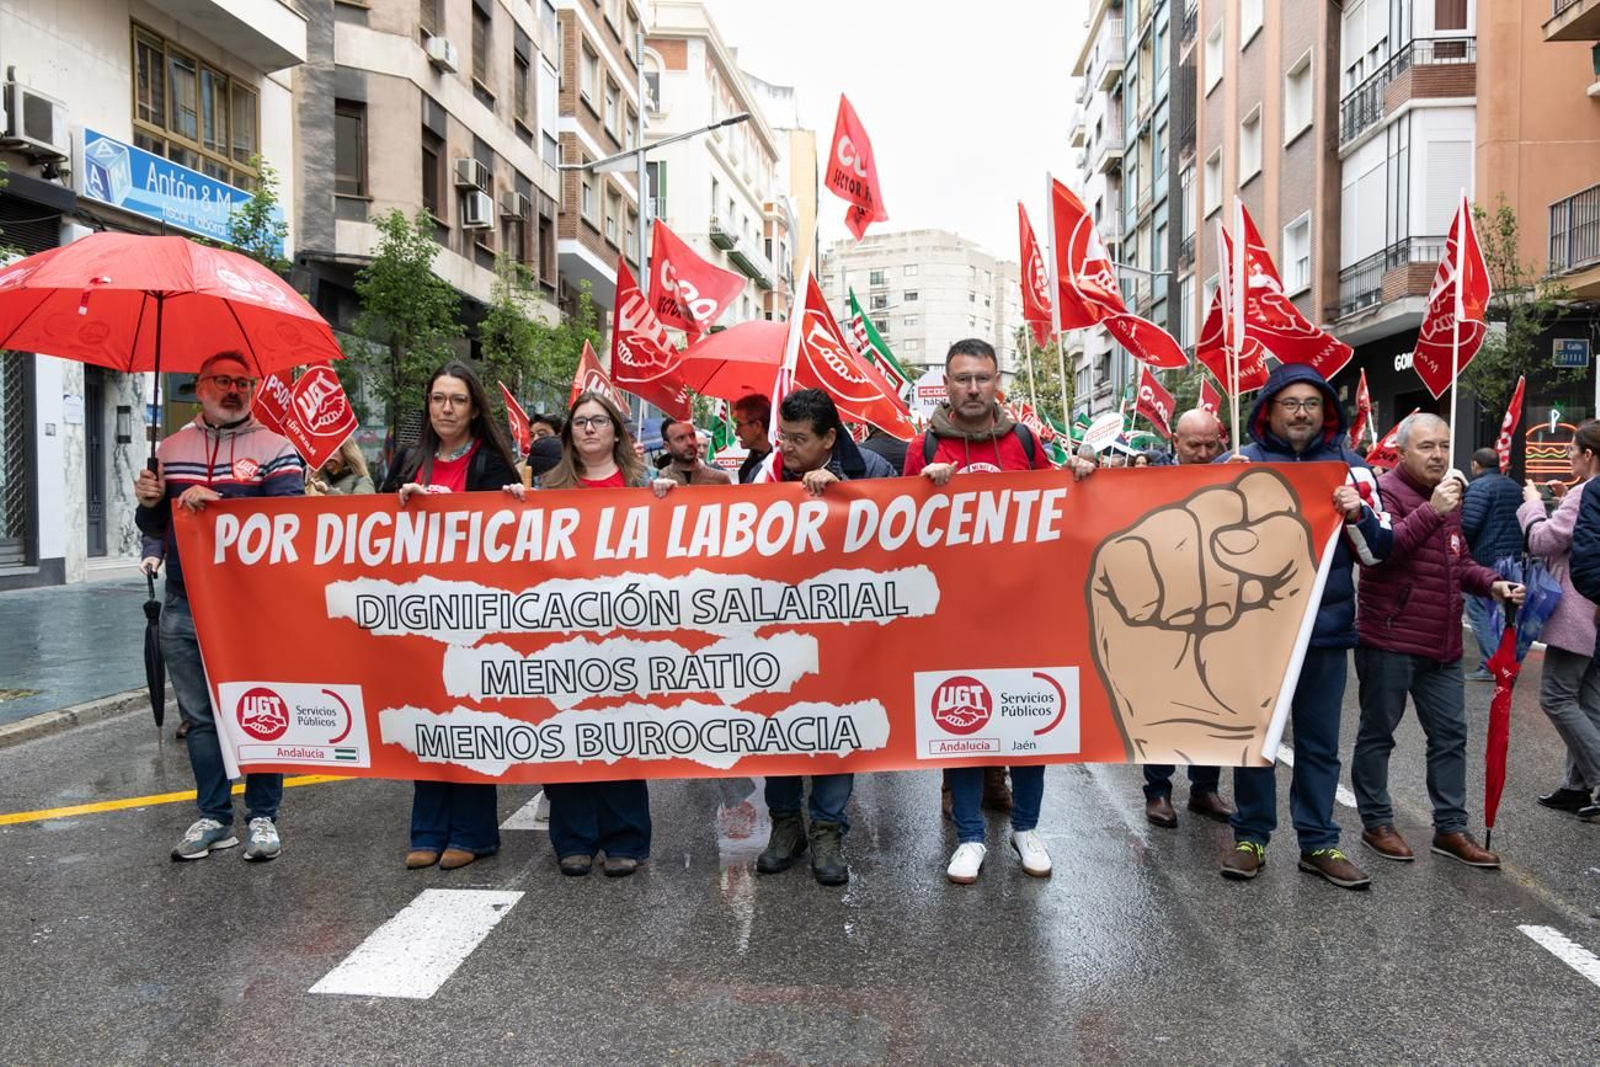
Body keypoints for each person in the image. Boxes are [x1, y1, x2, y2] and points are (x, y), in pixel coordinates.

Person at [905, 338, 1094, 884]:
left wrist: (1079, 473)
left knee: (1031, 721)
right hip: (954, 613)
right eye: (961, 378)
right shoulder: (924, 447)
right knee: (959, 725)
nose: (971, 388)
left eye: (981, 378)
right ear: (947, 383)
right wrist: (923, 490)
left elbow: (1060, 504)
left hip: (1020, 610)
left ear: (996, 383)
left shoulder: (1025, 442)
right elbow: (897, 529)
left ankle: (1026, 829)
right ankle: (969, 837)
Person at [1216, 363, 1393, 890]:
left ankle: (1318, 842)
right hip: (1253, 633)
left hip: (1324, 632)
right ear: (1268, 409)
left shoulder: (1354, 469)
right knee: (1255, 738)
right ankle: (1251, 837)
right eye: (1290, 403)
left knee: (1318, 744)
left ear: (1327, 412)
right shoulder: (1238, 464)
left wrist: (1357, 516)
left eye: (1311, 404)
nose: (1300, 413)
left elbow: (1379, 555)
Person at [134, 351, 305, 862]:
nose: (234, 390)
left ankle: (263, 818)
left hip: (254, 606)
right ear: (200, 386)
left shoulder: (277, 448)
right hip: (185, 601)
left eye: (242, 382)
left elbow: (289, 522)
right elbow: (154, 526)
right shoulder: (169, 448)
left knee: (260, 709)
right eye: (222, 381)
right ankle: (214, 815)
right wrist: (148, 504)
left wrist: (223, 508)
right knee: (200, 718)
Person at [1351, 413, 1524, 870]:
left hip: (1442, 642)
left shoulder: (1450, 496)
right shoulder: (1384, 492)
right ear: (1402, 451)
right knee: (1378, 734)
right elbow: (1382, 552)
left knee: (1450, 737)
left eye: (1444, 446)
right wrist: (1434, 509)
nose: (1438, 455)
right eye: (1427, 446)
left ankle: (1450, 828)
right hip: (1390, 637)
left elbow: (1458, 560)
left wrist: (1492, 584)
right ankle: (1377, 823)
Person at [516, 390, 677, 876]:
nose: (588, 429)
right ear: (570, 435)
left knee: (624, 734)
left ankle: (625, 838)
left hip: (628, 633)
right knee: (568, 731)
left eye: (598, 421)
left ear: (616, 431)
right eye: (580, 422)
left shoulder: (643, 482)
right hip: (564, 634)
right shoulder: (548, 487)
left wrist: (669, 502)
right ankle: (574, 838)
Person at [382, 361, 525, 872]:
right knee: (426, 718)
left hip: (475, 613)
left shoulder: (492, 463)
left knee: (469, 719)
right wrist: (397, 504)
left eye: (457, 400)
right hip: (417, 611)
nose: (446, 408)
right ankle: (427, 829)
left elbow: (511, 533)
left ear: (474, 408)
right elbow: (373, 532)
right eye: (438, 398)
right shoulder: (407, 459)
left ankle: (472, 832)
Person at [755, 388, 893, 886]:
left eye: (798, 439)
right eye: (782, 437)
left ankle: (829, 829)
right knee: (777, 730)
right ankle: (785, 826)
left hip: (845, 629)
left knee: (836, 727)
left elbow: (898, 535)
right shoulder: (765, 473)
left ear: (829, 438)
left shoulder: (872, 470)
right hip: (777, 628)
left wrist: (842, 498)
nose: (786, 449)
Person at [1141, 409, 1235, 830]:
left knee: (1211, 702)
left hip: (1216, 610)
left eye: (1209, 445)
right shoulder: (1147, 484)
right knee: (1161, 703)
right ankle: (1158, 791)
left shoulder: (1236, 477)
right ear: (1174, 442)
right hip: (1163, 612)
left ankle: (1204, 788)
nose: (1201, 453)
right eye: (1192, 444)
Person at [1520, 421, 1600, 821]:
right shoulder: (1584, 494)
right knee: (1588, 699)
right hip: (1594, 612)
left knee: (1556, 696)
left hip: (1578, 609)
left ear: (1588, 454)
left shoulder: (1587, 493)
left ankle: (1595, 778)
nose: (1567, 456)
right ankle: (1577, 785)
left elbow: (1543, 541)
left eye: (1571, 450)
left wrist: (1533, 504)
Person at [1461, 447, 1524, 680]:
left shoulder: (1478, 487)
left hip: (1486, 559)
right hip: (1513, 559)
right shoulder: (1515, 487)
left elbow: (1468, 525)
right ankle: (1508, 663)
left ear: (1476, 464)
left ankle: (1492, 665)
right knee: (1507, 615)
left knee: (1479, 611)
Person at [659, 416, 733, 486]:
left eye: (692, 436)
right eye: (681, 438)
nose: (690, 442)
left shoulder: (720, 479)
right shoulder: (660, 479)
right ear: (667, 447)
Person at [304, 438, 375, 496]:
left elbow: (360, 508)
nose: (326, 454)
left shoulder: (362, 481)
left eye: (331, 448)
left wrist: (328, 491)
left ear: (346, 452)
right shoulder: (316, 480)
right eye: (322, 449)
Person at [732, 394, 773, 484]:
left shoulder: (779, 467)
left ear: (757, 426)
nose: (736, 432)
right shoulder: (752, 460)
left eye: (739, 424)